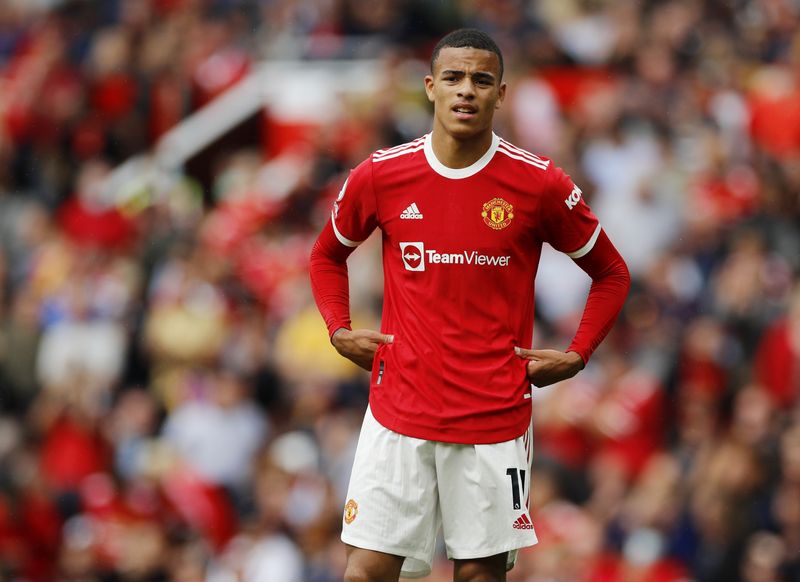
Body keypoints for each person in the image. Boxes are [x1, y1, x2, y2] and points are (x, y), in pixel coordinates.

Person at [309, 28, 630, 582]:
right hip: (399, 411)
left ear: (501, 94)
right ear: (430, 88)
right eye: (454, 78)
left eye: (482, 80)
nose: (466, 90)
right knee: (365, 572)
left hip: (493, 420)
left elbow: (612, 273)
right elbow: (324, 257)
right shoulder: (383, 174)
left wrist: (578, 354)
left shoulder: (538, 183)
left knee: (479, 577)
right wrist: (339, 329)